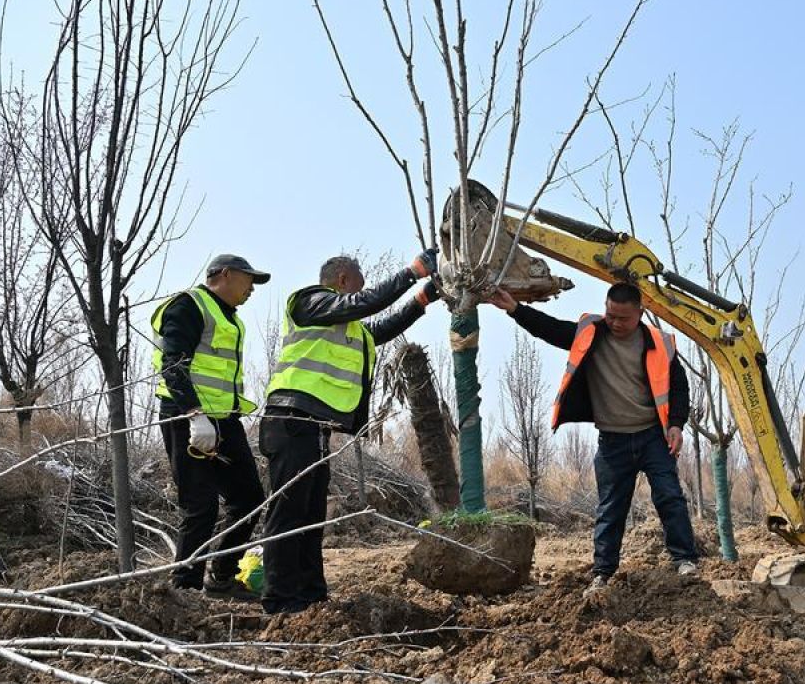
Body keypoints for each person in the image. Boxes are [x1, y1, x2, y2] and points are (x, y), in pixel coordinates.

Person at [487, 282, 698, 597]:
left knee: (670, 497)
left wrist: (677, 425)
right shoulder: (592, 333)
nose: (615, 323)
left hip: (652, 436)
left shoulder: (659, 344)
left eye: (623, 318)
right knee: (611, 509)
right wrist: (516, 309)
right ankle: (602, 573)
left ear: (640, 314)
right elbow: (552, 330)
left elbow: (679, 388)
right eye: (611, 315)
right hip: (613, 440)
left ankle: (685, 561)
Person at [259, 251, 440, 614]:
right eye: (359, 284)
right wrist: (412, 272)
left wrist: (423, 298)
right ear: (342, 280)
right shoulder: (309, 302)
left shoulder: (346, 329)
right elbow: (366, 304)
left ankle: (310, 596)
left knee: (311, 516)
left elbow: (383, 328)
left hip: (313, 430)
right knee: (288, 513)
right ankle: (279, 599)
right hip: (291, 420)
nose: (363, 292)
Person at [152, 254, 270, 599]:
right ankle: (185, 591)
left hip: (224, 420)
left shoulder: (230, 318)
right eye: (249, 280)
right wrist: (193, 414)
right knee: (199, 504)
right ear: (227, 274)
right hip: (187, 417)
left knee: (248, 497)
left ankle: (221, 576)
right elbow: (173, 363)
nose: (251, 289)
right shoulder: (189, 305)